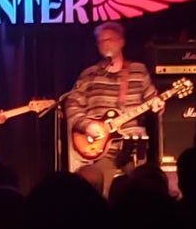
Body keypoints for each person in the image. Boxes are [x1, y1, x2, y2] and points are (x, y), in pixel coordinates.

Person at [63, 21, 164, 195]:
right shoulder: (89, 74)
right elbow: (71, 104)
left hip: (132, 145)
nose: (105, 44)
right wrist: (87, 125)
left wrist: (158, 105)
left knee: (141, 189)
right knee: (99, 190)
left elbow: (152, 99)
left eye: (109, 39)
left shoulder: (138, 70)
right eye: (101, 41)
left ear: (121, 41)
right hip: (101, 149)